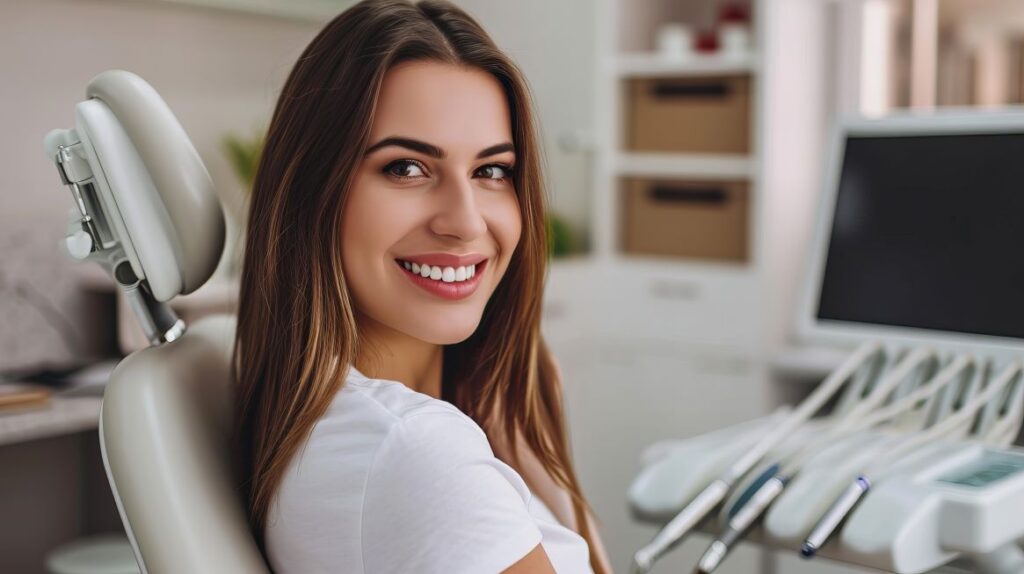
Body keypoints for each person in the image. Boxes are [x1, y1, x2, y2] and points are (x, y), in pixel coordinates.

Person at [232, 1, 612, 572]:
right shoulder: (418, 451)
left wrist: (520, 429)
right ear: (312, 193)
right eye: (406, 168)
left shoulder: (360, 417)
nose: (465, 221)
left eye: (492, 171)